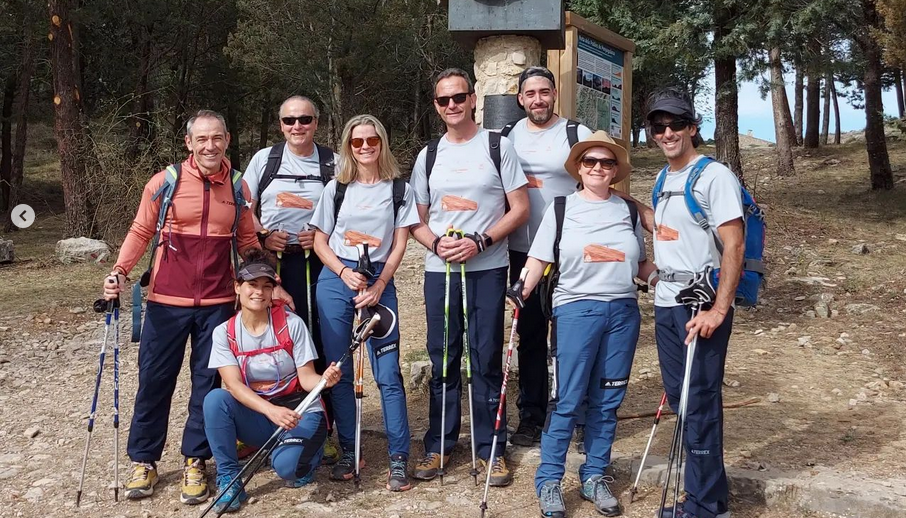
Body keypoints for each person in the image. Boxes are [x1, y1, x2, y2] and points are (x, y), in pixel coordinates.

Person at [101, 110, 290, 504]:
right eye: (201, 139)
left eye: (217, 138)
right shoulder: (164, 182)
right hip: (166, 302)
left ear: (227, 140)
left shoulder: (238, 186)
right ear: (188, 143)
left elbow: (246, 241)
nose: (210, 146)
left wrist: (271, 283)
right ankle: (144, 460)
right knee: (155, 381)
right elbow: (140, 230)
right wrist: (119, 271)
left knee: (208, 384)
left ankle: (196, 460)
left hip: (218, 304)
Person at [507, 131, 657, 517]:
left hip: (622, 312)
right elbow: (538, 260)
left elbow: (639, 263)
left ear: (615, 170)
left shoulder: (627, 212)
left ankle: (594, 475)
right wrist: (521, 289)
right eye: (590, 161)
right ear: (578, 167)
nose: (598, 168)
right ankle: (549, 480)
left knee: (607, 401)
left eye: (606, 162)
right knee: (567, 400)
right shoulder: (561, 209)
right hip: (576, 311)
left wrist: (664, 278)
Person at [409, 68, 530, 487]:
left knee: (485, 358)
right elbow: (416, 219)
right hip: (440, 271)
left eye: (459, 97)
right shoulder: (428, 155)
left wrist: (481, 240)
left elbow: (520, 208)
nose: (452, 105)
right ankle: (440, 443)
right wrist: (435, 244)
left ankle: (491, 448)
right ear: (436, 106)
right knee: (443, 357)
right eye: (444, 100)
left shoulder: (497, 147)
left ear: (473, 99)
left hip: (487, 268)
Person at [647, 87, 744, 518]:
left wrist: (719, 309)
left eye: (676, 124)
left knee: (699, 400)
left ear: (692, 127)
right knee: (681, 398)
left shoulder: (714, 176)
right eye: (658, 126)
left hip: (701, 305)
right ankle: (707, 494)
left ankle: (705, 506)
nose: (667, 133)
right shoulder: (662, 179)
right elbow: (667, 231)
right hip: (667, 302)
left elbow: (734, 244)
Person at [310, 114, 418, 491]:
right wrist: (343, 272)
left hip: (378, 282)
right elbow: (319, 241)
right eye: (357, 142)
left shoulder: (399, 189)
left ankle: (399, 457)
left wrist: (380, 283)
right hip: (338, 279)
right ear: (348, 147)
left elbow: (400, 243)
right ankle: (349, 450)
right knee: (338, 368)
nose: (366, 147)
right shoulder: (336, 188)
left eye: (372, 140)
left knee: (387, 373)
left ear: (382, 143)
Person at [203, 249, 342, 513]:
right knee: (215, 400)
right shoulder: (224, 333)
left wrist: (325, 380)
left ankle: (306, 452)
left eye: (266, 286)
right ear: (237, 287)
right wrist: (271, 411)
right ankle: (229, 478)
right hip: (263, 413)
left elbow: (307, 378)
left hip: (298, 412)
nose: (259, 292)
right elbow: (233, 385)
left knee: (287, 469)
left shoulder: (292, 324)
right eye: (252, 285)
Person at [243, 95, 339, 463]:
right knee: (269, 339)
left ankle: (321, 427)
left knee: (318, 341)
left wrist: (321, 235)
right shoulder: (264, 160)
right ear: (280, 125)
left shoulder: (333, 162)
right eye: (289, 120)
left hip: (318, 261)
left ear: (317, 122)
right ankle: (259, 425)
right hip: (271, 264)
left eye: (305, 119)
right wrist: (264, 235)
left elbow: (346, 210)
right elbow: (244, 210)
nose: (297, 126)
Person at [501, 66, 593, 448]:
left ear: (554, 94)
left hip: (567, 249)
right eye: (530, 93)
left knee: (575, 336)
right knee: (531, 335)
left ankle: (580, 415)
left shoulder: (576, 134)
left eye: (544, 92)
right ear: (520, 98)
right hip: (523, 251)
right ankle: (532, 416)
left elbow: (599, 185)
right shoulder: (507, 136)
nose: (537, 100)